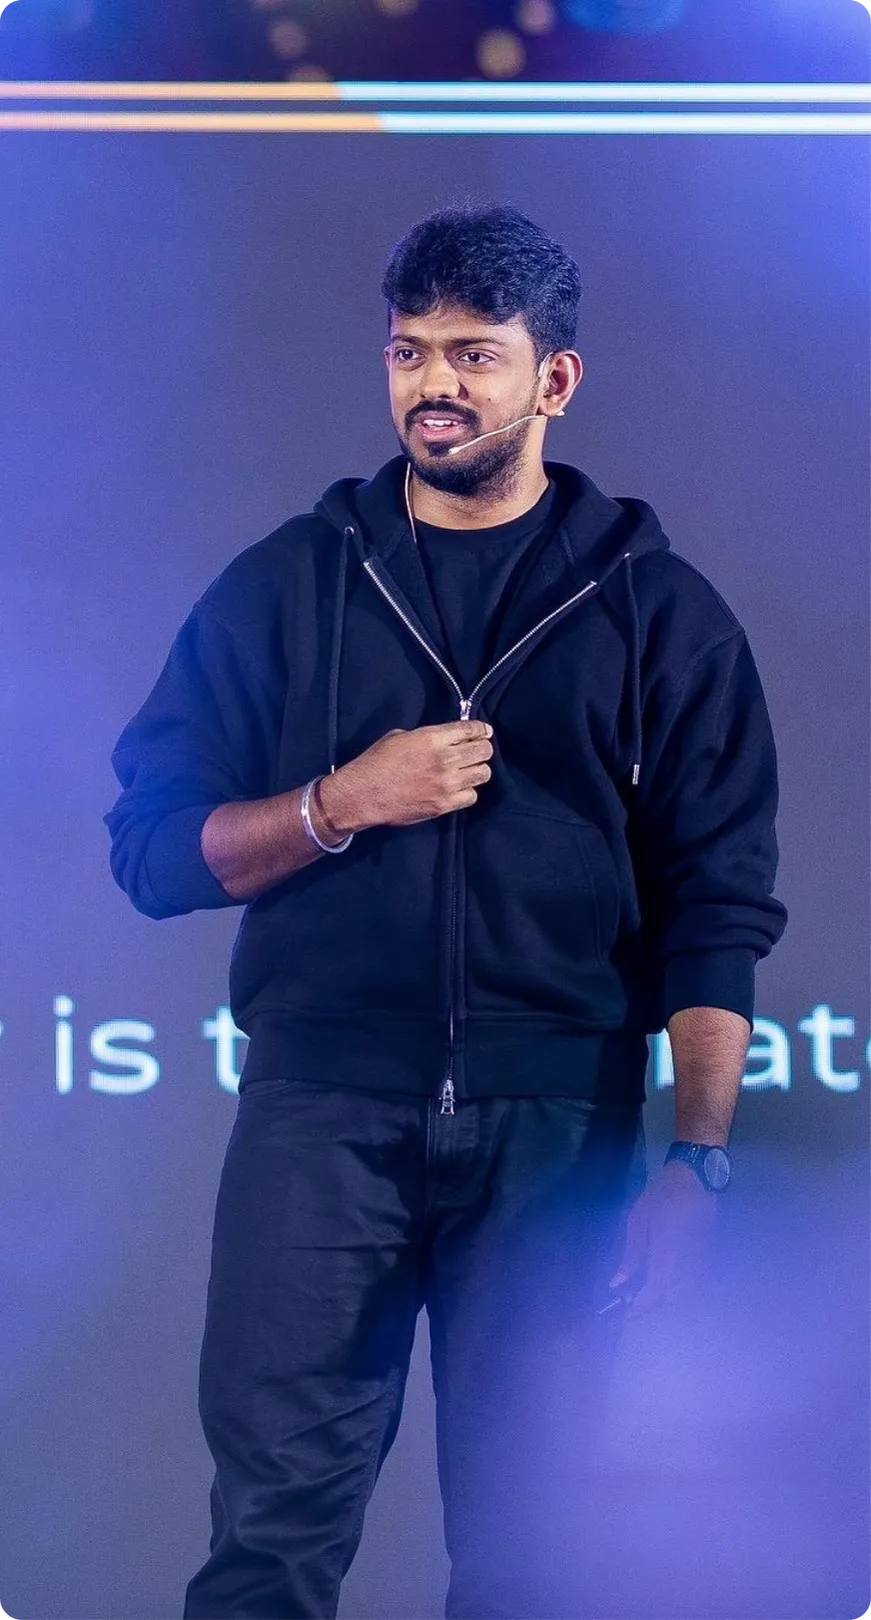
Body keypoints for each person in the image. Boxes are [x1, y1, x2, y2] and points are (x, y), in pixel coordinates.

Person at [104, 204, 787, 1620]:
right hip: (322, 1119)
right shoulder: (288, 586)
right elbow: (154, 852)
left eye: (474, 354)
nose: (434, 384)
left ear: (554, 379)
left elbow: (714, 909)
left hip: (559, 1134)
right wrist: (339, 802)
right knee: (270, 1545)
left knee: (537, 1557)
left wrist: (698, 1161)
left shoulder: (659, 612)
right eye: (410, 351)